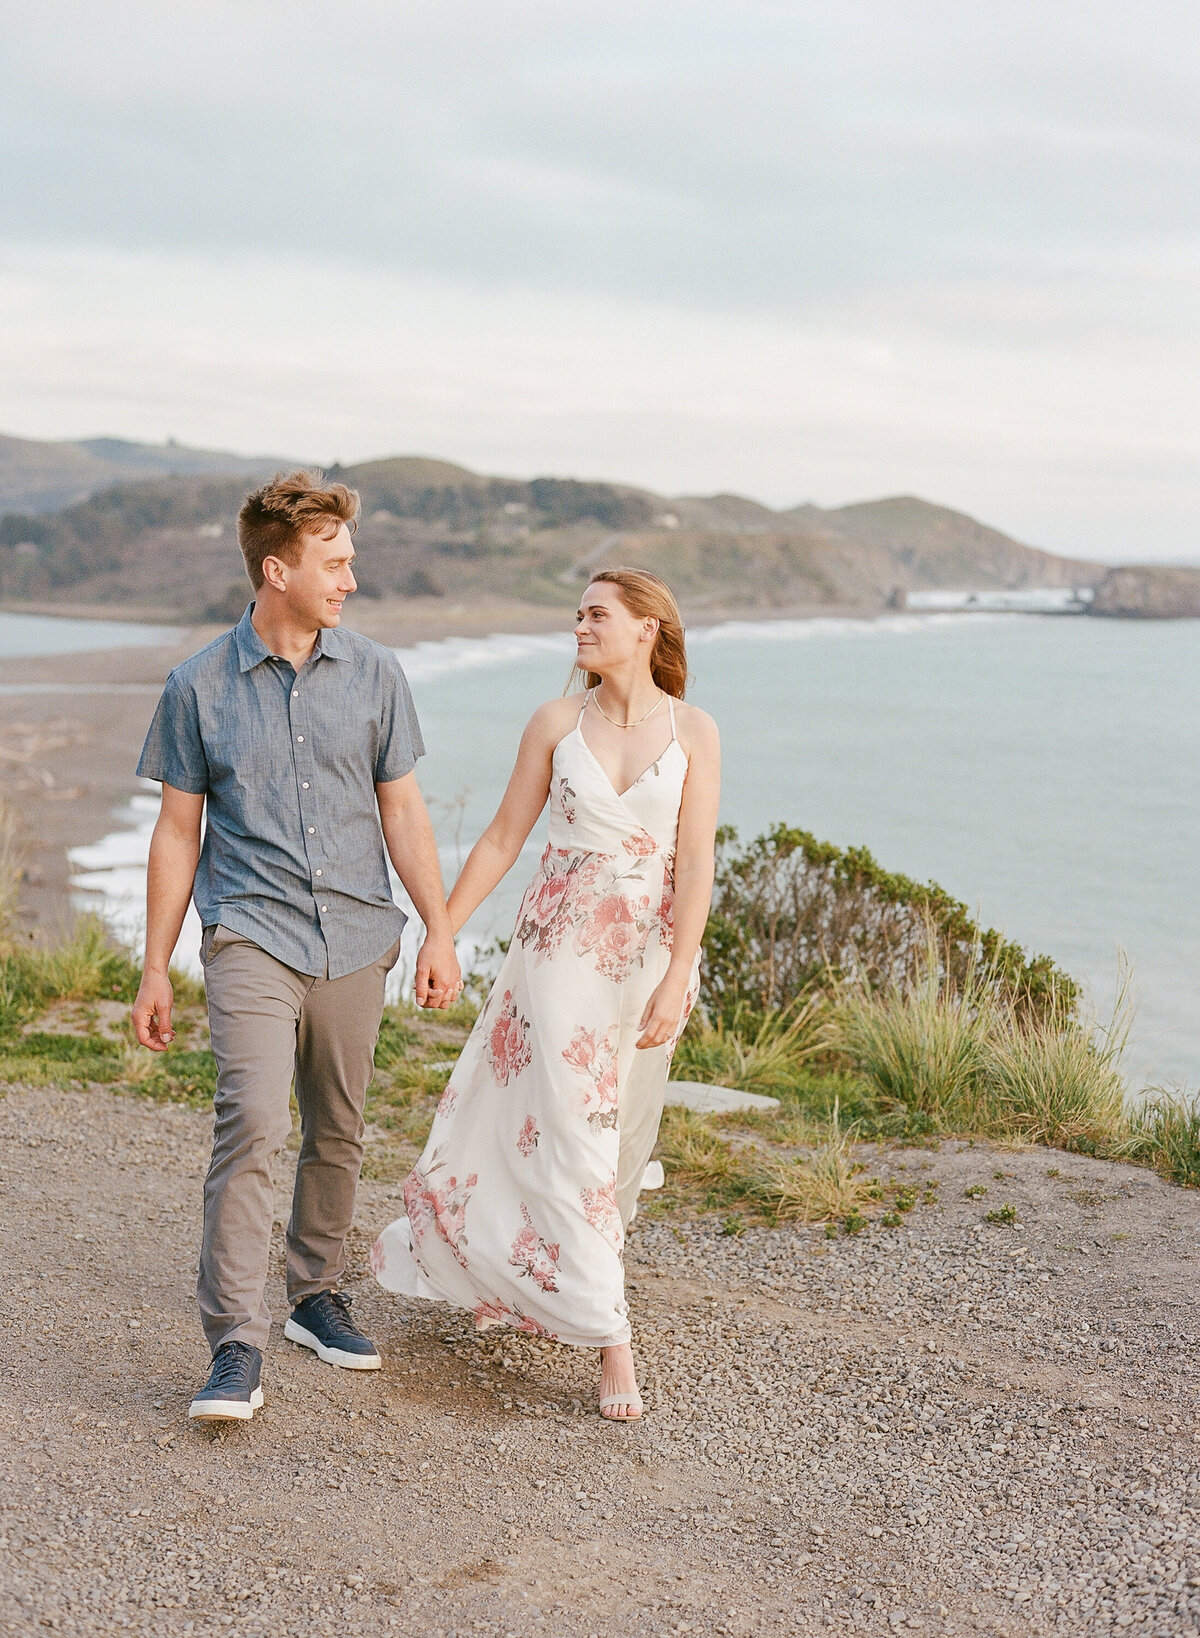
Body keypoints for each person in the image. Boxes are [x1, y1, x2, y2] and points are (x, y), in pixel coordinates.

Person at [131, 470, 461, 1423]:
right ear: (277, 570)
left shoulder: (377, 674)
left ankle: (316, 1294)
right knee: (252, 1124)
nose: (351, 579)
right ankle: (235, 1344)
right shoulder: (196, 685)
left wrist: (438, 929)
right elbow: (176, 831)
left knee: (339, 1127)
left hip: (359, 932)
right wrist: (156, 964)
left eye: (351, 561)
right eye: (336, 562)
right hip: (252, 933)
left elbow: (402, 808)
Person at [371, 569, 720, 1420]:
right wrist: (441, 932)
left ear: (647, 628)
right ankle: (612, 1344)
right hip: (561, 952)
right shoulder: (556, 724)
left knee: (621, 1141)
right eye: (578, 614)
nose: (581, 626)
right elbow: (499, 838)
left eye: (597, 615)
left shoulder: (696, 730)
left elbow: (698, 863)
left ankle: (545, 1277)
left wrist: (679, 973)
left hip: (648, 959)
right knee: (573, 1132)